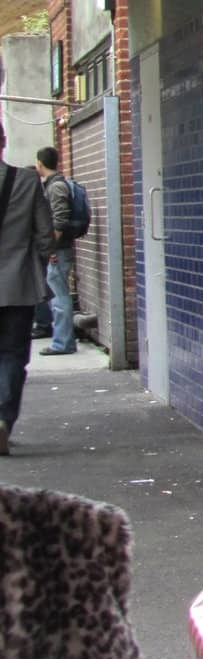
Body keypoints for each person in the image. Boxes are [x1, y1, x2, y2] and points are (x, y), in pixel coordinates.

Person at [0, 123, 54, 455]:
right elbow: (45, 234)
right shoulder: (27, 181)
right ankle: (3, 420)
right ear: (4, 142)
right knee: (12, 355)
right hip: (17, 284)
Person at [35, 145, 78, 355]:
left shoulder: (56, 187)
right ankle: (62, 340)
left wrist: (51, 248)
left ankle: (62, 343)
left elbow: (59, 221)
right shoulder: (55, 185)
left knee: (59, 297)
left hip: (58, 251)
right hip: (59, 249)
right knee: (58, 295)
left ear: (40, 164)